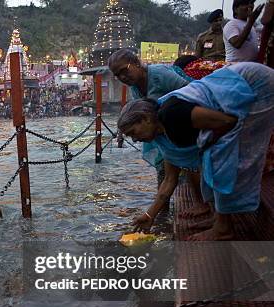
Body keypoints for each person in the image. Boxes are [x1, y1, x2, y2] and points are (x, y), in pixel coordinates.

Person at [117, 62, 274, 241]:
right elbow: (169, 180)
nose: (135, 140)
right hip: (238, 88)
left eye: (133, 133)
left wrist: (207, 146)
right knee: (210, 158)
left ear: (145, 119)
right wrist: (149, 215)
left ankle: (223, 228)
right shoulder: (162, 135)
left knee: (217, 159)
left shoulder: (173, 114)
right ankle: (217, 220)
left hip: (254, 83)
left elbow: (227, 122)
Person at [108, 49, 190, 208]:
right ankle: (162, 210)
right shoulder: (135, 88)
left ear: (137, 63)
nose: (123, 77)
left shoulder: (160, 74)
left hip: (184, 127)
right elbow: (137, 111)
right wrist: (121, 132)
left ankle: (191, 204)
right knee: (164, 171)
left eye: (124, 70)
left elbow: (191, 90)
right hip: (161, 133)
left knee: (190, 167)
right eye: (118, 75)